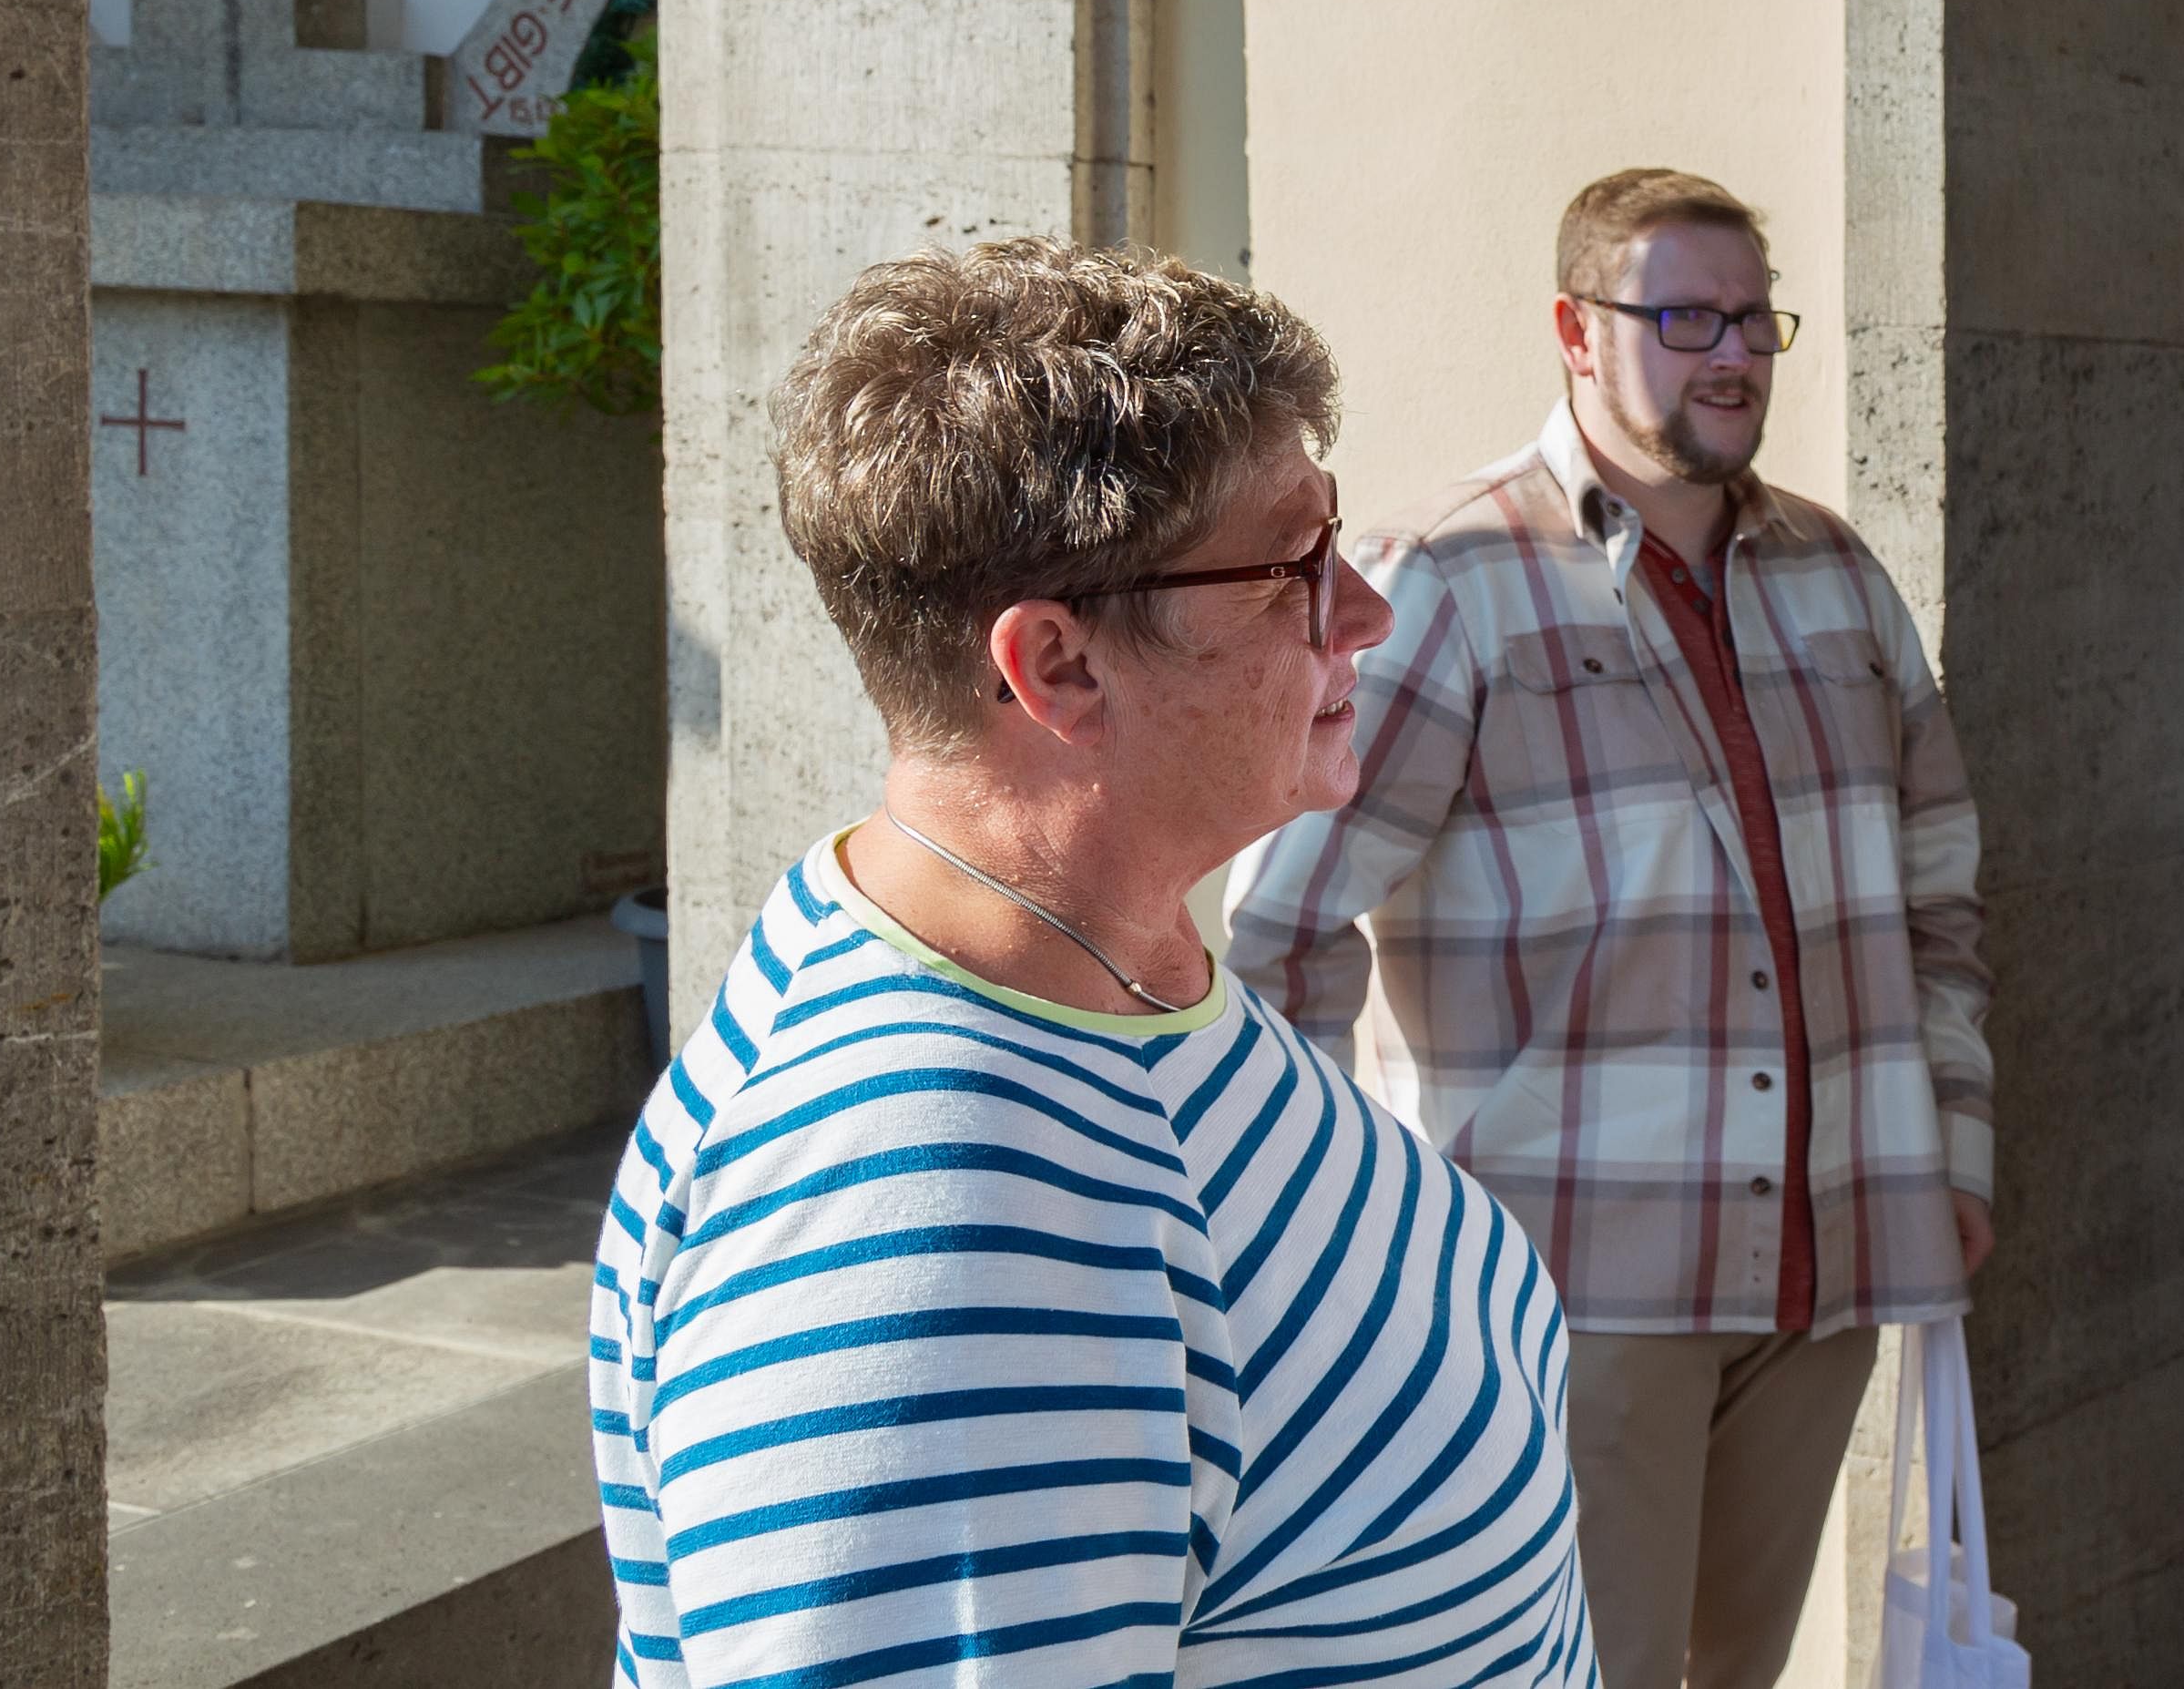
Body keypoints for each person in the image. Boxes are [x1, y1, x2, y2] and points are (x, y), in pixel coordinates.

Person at [588, 241, 1594, 1688]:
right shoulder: (930, 1225)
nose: (1365, 616)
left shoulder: (1102, 974)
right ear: (1059, 668)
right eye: (1292, 569)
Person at [1230, 168, 1993, 1689]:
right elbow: (1283, 935)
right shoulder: (1447, 576)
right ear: (1577, 331)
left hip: (1829, 1257)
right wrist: (1357, 1245)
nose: (1732, 355)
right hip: (1573, 1285)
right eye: (1683, 316)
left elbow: (1940, 903)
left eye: (1753, 321)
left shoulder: (1839, 577)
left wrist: (1954, 1152)